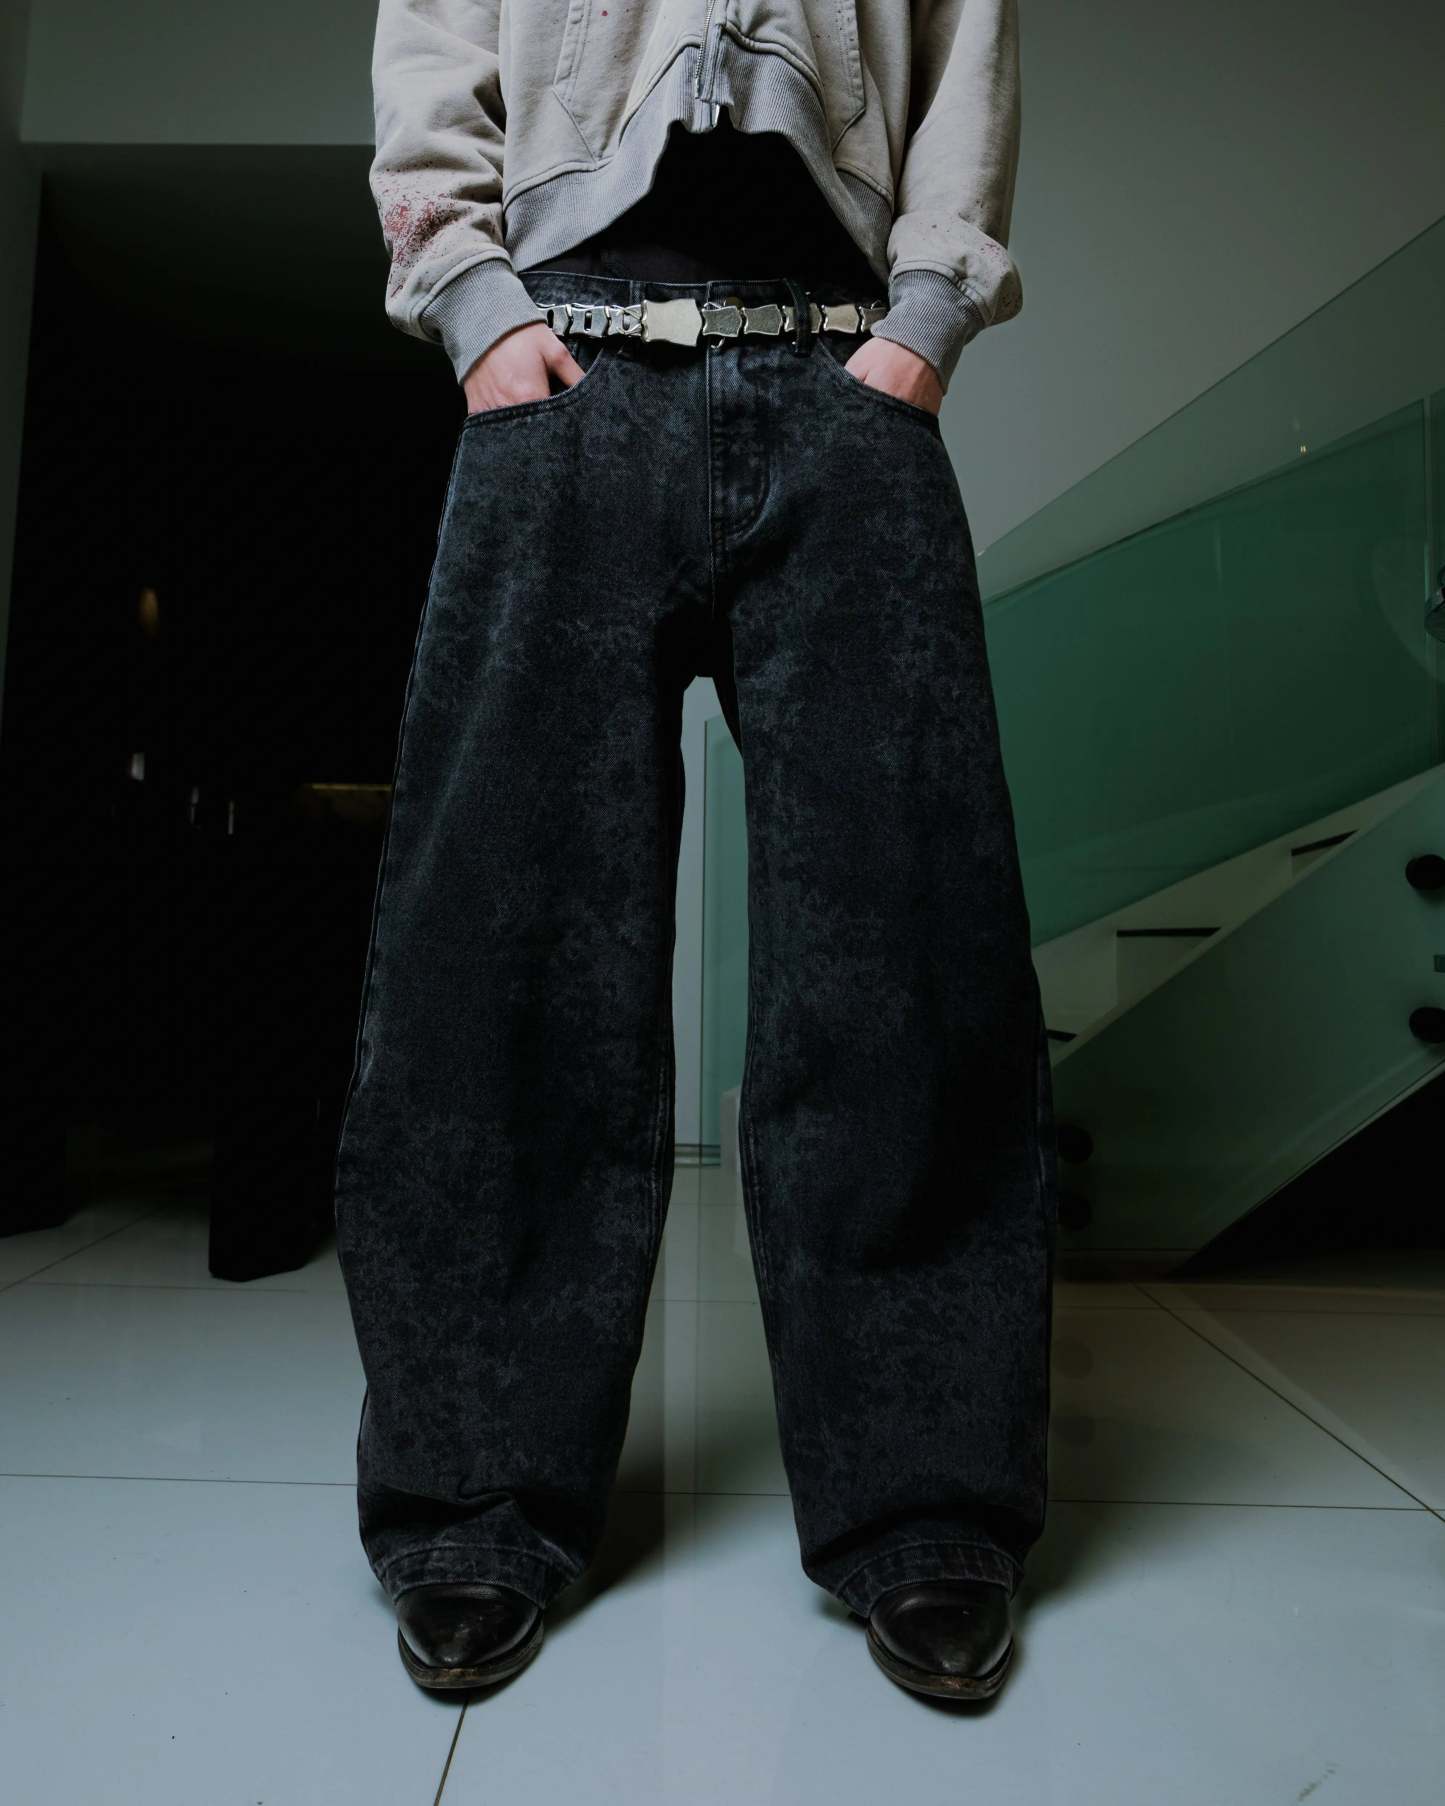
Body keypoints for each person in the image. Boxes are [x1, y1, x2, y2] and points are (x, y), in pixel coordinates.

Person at [334, 0, 1058, 1705]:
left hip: (844, 379)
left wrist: (926, 325)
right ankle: (474, 1496)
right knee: (496, 957)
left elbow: (964, 56)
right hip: (560, 378)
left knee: (905, 958)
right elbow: (432, 47)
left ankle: (924, 1500)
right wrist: (472, 303)